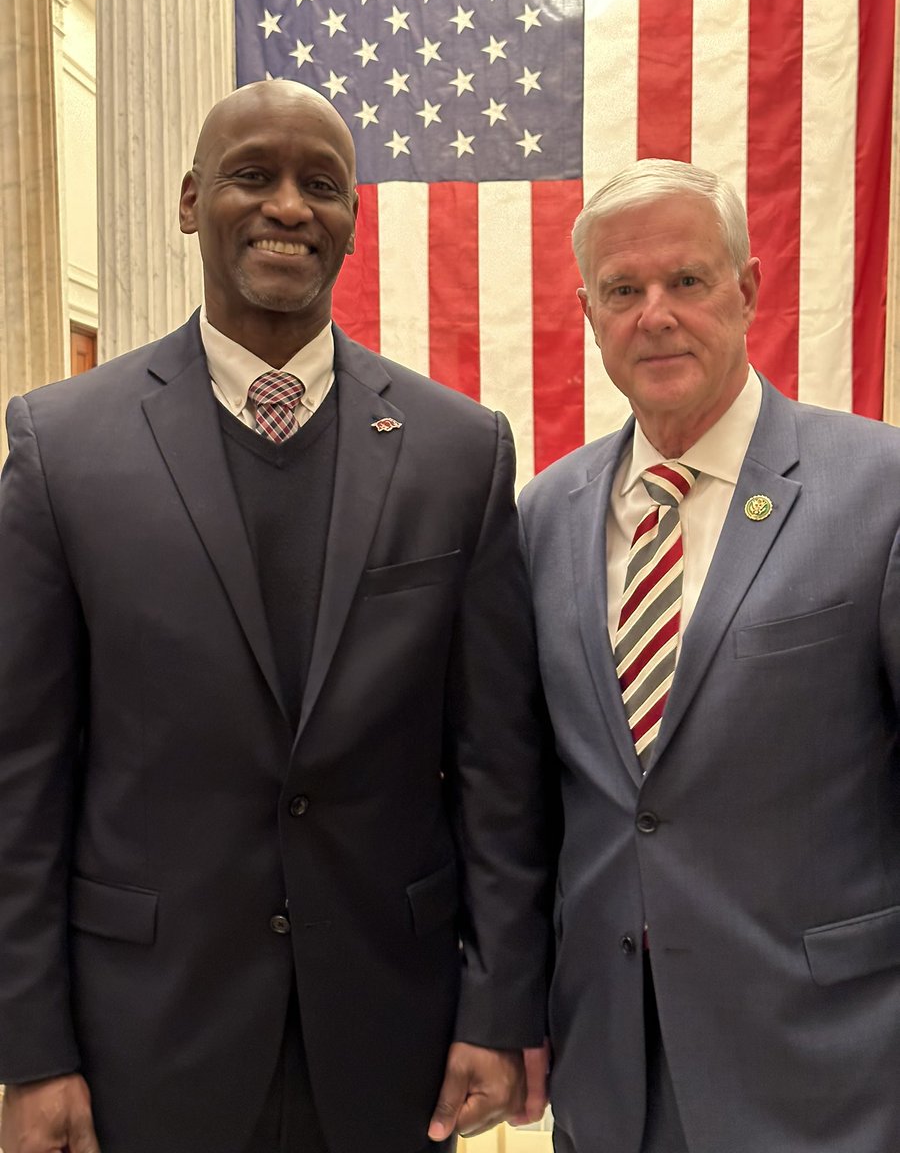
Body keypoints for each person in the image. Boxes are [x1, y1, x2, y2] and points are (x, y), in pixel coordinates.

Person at [0, 81, 551, 1153]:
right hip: (143, 1035)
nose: (290, 206)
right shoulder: (62, 447)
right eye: (254, 175)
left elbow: (498, 769)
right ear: (191, 201)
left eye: (323, 185)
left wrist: (498, 1004)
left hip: (393, 1031)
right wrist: (30, 1048)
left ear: (353, 218)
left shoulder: (458, 451)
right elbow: (22, 774)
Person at [518, 159, 900, 1153]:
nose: (655, 314)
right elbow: (533, 798)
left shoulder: (880, 491)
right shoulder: (542, 517)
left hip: (831, 1065)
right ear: (589, 313)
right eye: (623, 290)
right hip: (609, 1071)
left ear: (748, 289)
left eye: (686, 280)